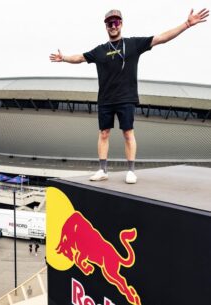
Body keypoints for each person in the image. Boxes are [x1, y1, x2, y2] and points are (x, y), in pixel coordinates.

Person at [50, 8, 209, 184]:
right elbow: (79, 58)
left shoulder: (133, 44)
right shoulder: (100, 50)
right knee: (104, 133)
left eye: (116, 22)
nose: (113, 26)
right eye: (109, 23)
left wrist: (186, 24)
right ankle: (102, 169)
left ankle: (131, 171)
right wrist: (63, 58)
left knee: (128, 133)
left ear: (121, 24)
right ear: (106, 27)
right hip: (105, 99)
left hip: (126, 97)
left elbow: (160, 38)